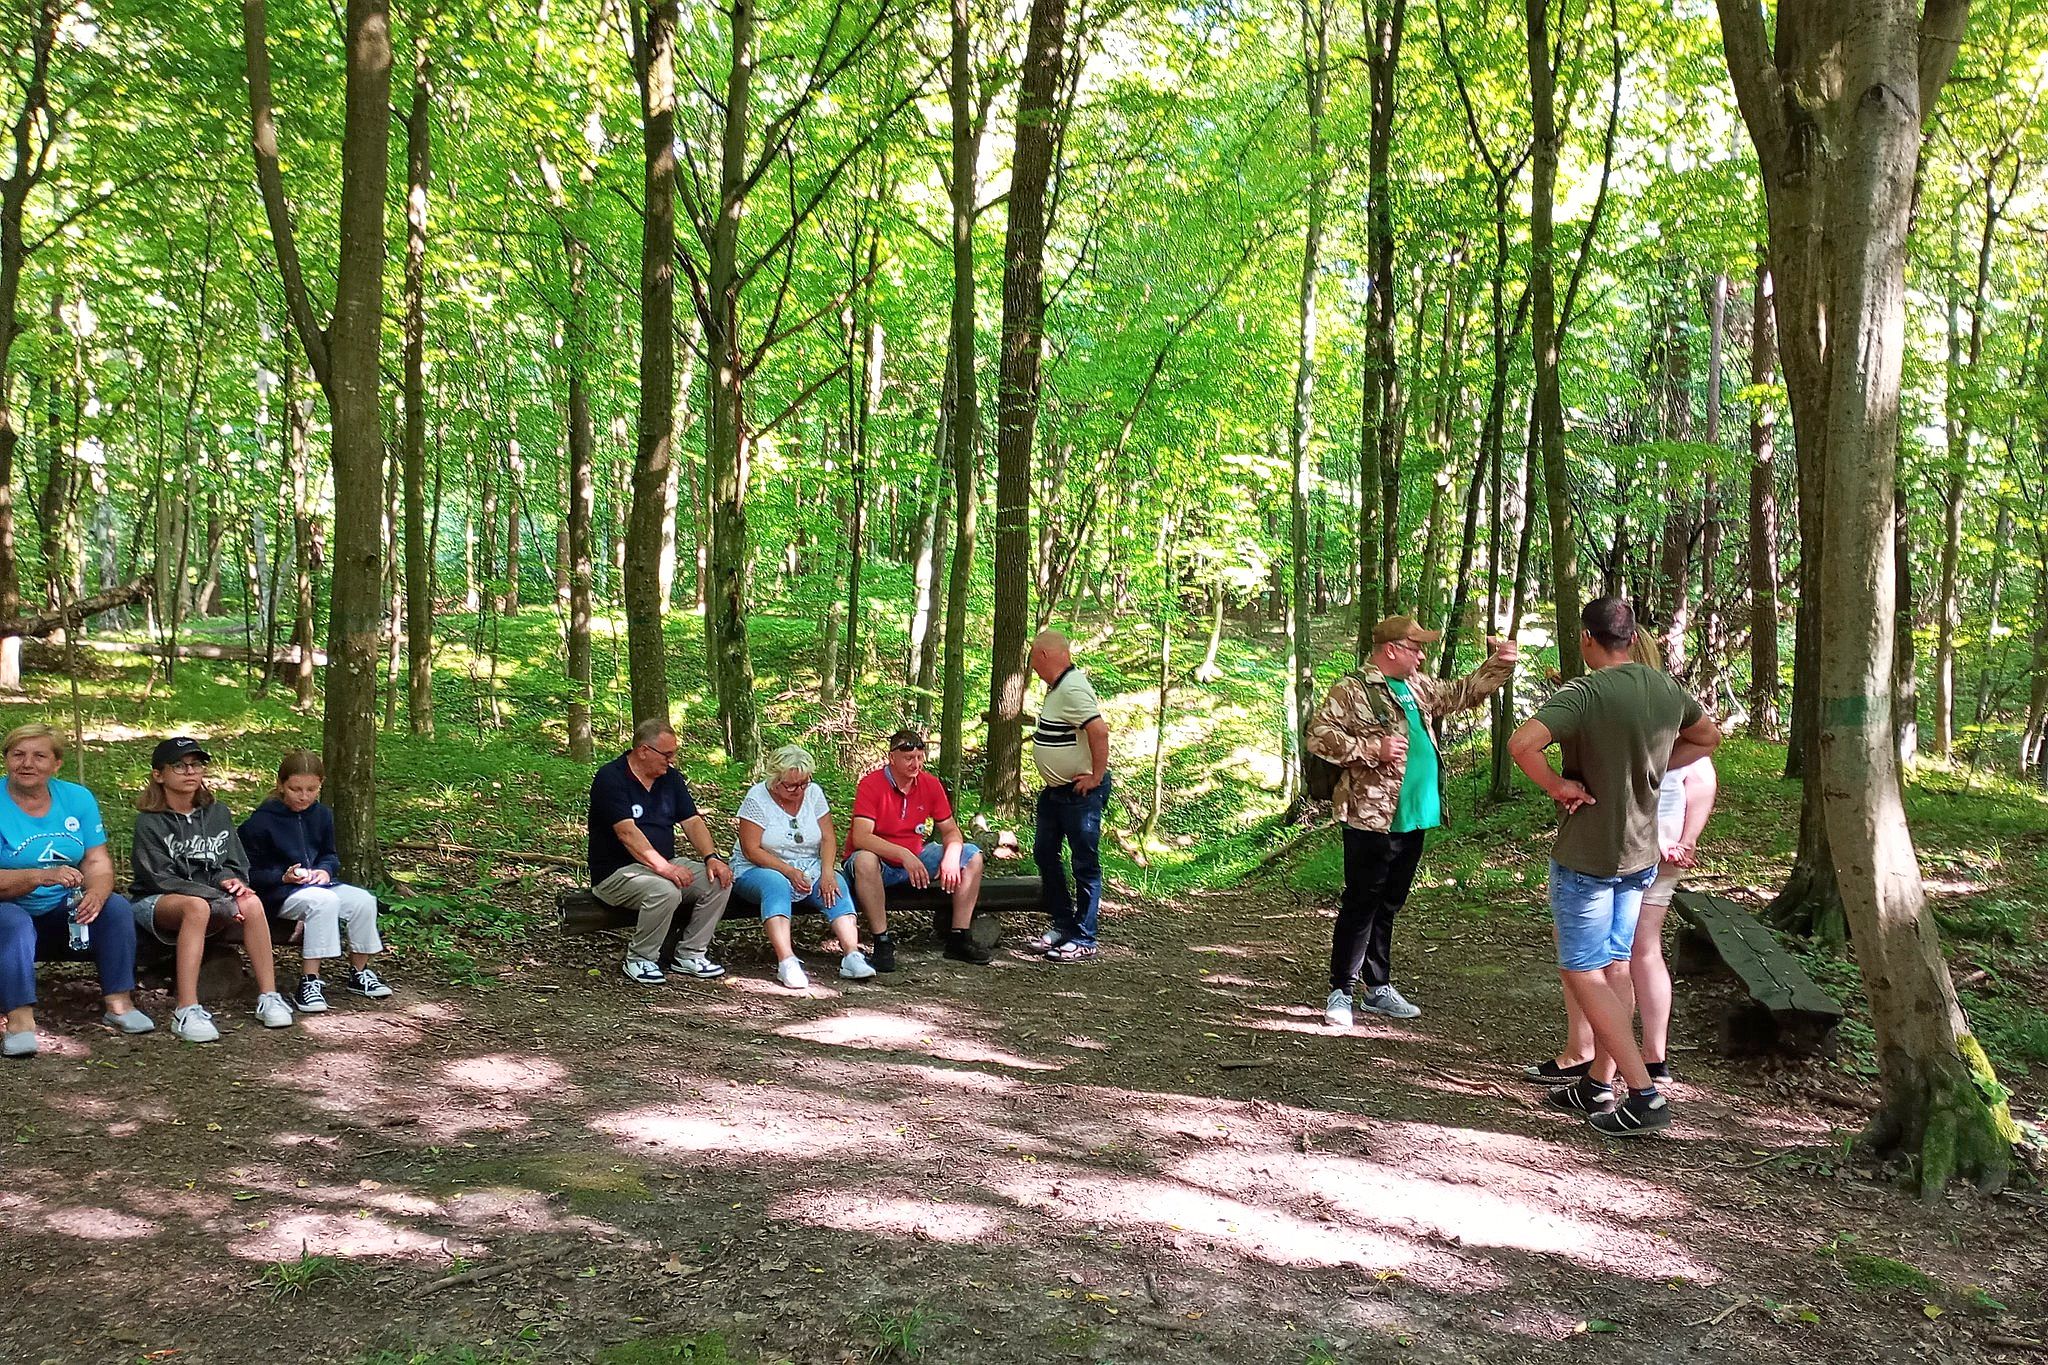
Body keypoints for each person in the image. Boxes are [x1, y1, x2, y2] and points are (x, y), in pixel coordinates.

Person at [1508, 597, 1723, 1136]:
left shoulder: (1584, 692)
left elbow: (1522, 743)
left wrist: (1558, 785)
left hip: (1589, 854)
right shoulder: (1665, 688)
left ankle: (1644, 1095)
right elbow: (1708, 738)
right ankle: (1598, 1083)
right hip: (1640, 855)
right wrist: (1656, 765)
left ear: (1587, 638)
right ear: (1631, 638)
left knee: (1582, 970)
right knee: (1616, 966)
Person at [1305, 616, 1518, 1027]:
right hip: (1372, 816)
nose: (1421, 657)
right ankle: (1341, 990)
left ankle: (1377, 988)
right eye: (1415, 649)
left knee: (1389, 902)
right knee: (1361, 902)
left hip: (1416, 814)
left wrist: (1501, 663)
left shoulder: (1417, 686)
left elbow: (1462, 693)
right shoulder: (1352, 689)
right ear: (1391, 649)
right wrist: (1373, 748)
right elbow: (1318, 736)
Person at [0, 723, 153, 1057]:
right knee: (11, 920)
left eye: (39, 756)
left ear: (56, 763)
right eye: (18, 754)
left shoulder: (76, 798)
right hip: (8, 914)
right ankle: (19, 1020)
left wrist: (96, 892)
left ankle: (119, 1004)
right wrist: (38, 876)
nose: (27, 763)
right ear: (7, 759)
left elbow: (97, 860)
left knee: (115, 907)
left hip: (60, 915)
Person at [131, 736, 295, 1043]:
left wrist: (231, 882)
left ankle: (269, 996)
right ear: (159, 774)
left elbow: (235, 862)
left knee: (251, 903)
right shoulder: (149, 821)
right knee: (196, 907)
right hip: (157, 901)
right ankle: (186, 1010)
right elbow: (159, 878)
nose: (190, 772)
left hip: (212, 897)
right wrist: (217, 896)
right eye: (179, 766)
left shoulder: (217, 813)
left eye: (196, 765)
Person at [239, 748, 394, 1014]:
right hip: (278, 894)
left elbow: (329, 855)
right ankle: (309, 981)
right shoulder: (261, 821)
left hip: (318, 884)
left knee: (363, 901)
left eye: (311, 789)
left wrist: (325, 870)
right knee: (323, 902)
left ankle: (360, 972)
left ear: (321, 785)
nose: (304, 796)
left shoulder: (322, 815)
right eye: (295, 789)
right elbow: (247, 871)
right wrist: (282, 876)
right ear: (281, 785)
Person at [587, 718, 734, 985]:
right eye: (667, 754)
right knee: (664, 890)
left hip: (663, 863)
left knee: (718, 881)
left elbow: (692, 821)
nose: (672, 760)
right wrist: (664, 868)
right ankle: (640, 958)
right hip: (616, 873)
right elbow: (626, 833)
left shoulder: (670, 779)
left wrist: (711, 857)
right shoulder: (611, 777)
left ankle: (691, 953)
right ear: (644, 750)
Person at [729, 744, 874, 989]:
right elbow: (751, 849)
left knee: (836, 884)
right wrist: (788, 871)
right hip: (759, 866)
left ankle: (852, 954)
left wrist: (827, 872)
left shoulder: (814, 793)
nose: (799, 790)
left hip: (808, 863)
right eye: (791, 785)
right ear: (775, 781)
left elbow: (828, 838)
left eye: (804, 783)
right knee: (776, 885)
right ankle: (787, 961)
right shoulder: (757, 798)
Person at [844, 728, 992, 968]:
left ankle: (959, 936)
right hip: (880, 863)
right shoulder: (871, 785)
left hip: (917, 856)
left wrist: (951, 856)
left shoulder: (930, 784)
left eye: (920, 757)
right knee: (864, 859)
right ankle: (882, 942)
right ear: (892, 758)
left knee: (972, 855)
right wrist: (903, 855)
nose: (915, 764)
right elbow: (861, 837)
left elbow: (951, 830)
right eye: (908, 758)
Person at [1028, 630, 1111, 962]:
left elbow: (1099, 730)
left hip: (1078, 795)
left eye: (1034, 659)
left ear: (1045, 656)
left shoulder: (1073, 688)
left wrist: (1096, 776)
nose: (1033, 667)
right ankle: (1063, 923)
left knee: (1084, 863)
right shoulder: (1058, 688)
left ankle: (1084, 937)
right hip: (1055, 793)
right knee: (1045, 853)